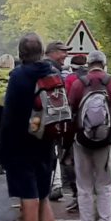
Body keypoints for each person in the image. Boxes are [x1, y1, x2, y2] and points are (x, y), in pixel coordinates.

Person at [0, 33, 60, 221]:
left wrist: (3, 152)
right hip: (46, 144)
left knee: (29, 203)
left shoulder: (18, 76)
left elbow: (9, 117)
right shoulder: (53, 73)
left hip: (20, 147)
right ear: (42, 52)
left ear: (21, 54)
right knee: (43, 199)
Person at [65, 49, 111, 221]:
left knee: (84, 186)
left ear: (88, 65)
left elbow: (69, 114)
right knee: (105, 183)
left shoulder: (78, 84)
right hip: (104, 141)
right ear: (103, 64)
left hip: (81, 141)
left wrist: (71, 139)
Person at [62, 53, 91, 214]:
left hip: (74, 127)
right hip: (96, 129)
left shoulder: (71, 79)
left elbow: (66, 103)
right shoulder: (98, 79)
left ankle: (77, 196)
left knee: (68, 161)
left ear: (72, 67)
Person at [44, 41, 71, 202]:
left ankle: (53, 185)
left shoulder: (45, 68)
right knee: (51, 152)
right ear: (52, 52)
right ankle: (54, 185)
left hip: (40, 121)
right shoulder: (52, 71)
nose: (65, 55)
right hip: (51, 120)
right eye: (62, 52)